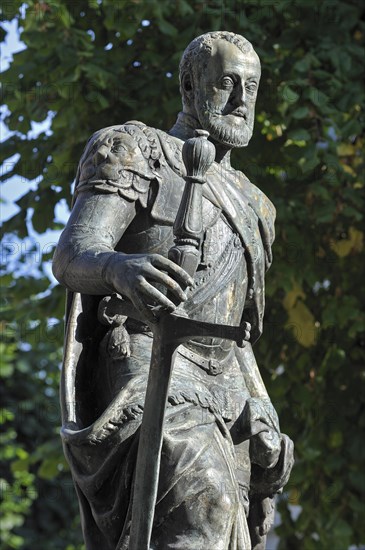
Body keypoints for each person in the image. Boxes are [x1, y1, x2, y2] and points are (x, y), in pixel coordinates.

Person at [53, 31, 294, 550]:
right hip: (146, 360)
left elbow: (240, 331)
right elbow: (73, 254)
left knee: (231, 529)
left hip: (227, 383)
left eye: (251, 87)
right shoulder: (134, 149)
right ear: (189, 85)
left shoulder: (257, 206)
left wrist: (262, 402)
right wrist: (118, 267)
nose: (241, 100)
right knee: (206, 500)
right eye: (227, 83)